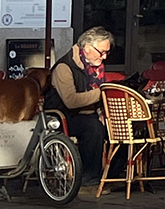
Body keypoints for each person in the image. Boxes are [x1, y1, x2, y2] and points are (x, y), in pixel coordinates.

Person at [44, 28, 113, 171]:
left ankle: (112, 174)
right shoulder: (64, 68)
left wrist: (101, 111)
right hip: (63, 117)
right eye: (102, 52)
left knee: (121, 127)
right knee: (93, 128)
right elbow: (71, 101)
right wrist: (102, 93)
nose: (105, 57)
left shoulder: (96, 68)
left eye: (107, 52)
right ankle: (88, 176)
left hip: (89, 114)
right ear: (87, 48)